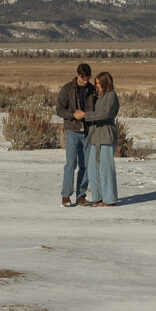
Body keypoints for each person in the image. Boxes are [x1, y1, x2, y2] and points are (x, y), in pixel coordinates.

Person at [56, 62, 97, 207]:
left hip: (88, 132)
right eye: (83, 78)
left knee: (86, 165)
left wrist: (87, 115)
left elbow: (98, 111)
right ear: (77, 75)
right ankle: (66, 195)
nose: (85, 81)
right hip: (72, 131)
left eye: (87, 78)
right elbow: (59, 110)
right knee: (71, 163)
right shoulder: (67, 89)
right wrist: (73, 114)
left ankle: (81, 196)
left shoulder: (92, 90)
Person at [86, 71, 119, 207]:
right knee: (93, 168)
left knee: (106, 168)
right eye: (96, 83)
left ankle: (109, 198)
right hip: (95, 136)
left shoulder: (111, 96)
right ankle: (97, 197)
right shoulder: (99, 97)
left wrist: (86, 115)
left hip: (106, 135)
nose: (97, 86)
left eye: (99, 83)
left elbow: (105, 114)